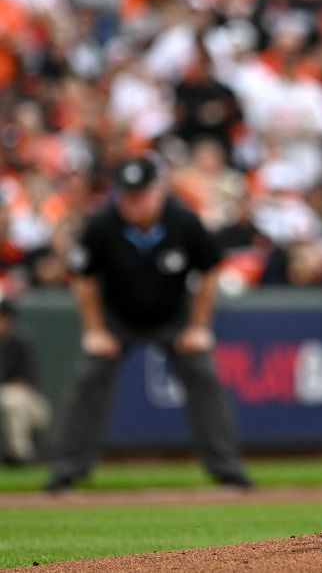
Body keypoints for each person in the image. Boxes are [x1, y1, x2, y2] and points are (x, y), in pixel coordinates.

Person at [44, 155, 250, 492]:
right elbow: (83, 277)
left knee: (203, 375)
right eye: (127, 196)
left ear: (158, 191)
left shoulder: (183, 221)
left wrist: (198, 326)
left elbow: (210, 270)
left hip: (172, 316)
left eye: (140, 195)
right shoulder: (103, 223)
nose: (133, 204)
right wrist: (95, 331)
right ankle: (66, 470)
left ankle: (228, 469)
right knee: (89, 377)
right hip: (118, 318)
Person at [0, 297, 51, 465]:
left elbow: (24, 383)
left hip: (31, 402)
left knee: (10, 399)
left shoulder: (20, 342)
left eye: (3, 316)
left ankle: (20, 457)